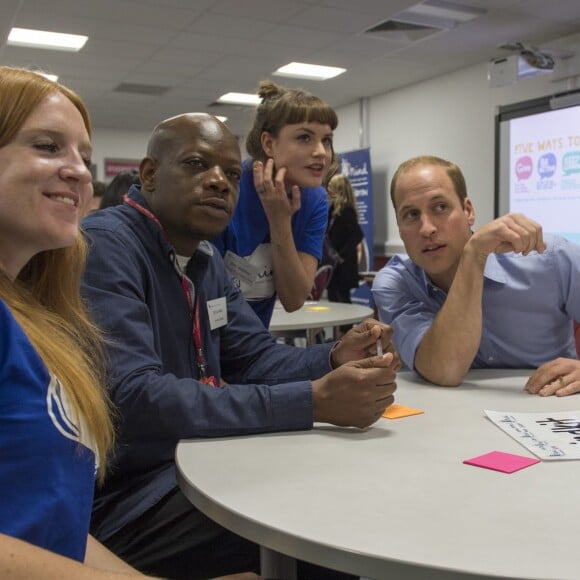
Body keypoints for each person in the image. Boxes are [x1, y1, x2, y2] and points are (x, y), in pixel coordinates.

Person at [81, 112, 398, 580]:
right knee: (318, 516)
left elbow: (257, 358)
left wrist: (333, 357)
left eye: (230, 174)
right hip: (127, 497)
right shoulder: (107, 246)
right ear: (148, 175)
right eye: (195, 164)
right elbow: (136, 398)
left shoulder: (204, 260)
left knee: (333, 484)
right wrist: (311, 401)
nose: (219, 183)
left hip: (190, 464)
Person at [0, 66, 155, 578]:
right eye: (47, 146)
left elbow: (50, 523)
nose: (80, 172)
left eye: (84, 158)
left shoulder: (35, 315)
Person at [372, 154, 580, 396]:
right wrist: (473, 257)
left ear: (468, 210)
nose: (427, 228)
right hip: (449, 423)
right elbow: (445, 371)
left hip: (549, 414)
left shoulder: (549, 257)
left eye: (440, 207)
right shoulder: (395, 284)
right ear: (399, 227)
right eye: (411, 215)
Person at [212, 80, 338, 327]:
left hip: (254, 343)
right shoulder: (226, 192)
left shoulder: (314, 200)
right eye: (305, 138)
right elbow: (204, 299)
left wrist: (280, 222)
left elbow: (294, 299)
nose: (321, 152)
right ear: (269, 143)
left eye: (327, 140)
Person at [325, 174, 364, 334]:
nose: (327, 189)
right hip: (333, 265)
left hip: (343, 265)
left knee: (343, 302)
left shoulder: (346, 209)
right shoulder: (332, 208)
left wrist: (341, 255)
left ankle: (347, 336)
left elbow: (357, 235)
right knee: (333, 299)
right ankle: (337, 336)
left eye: (331, 186)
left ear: (339, 188)